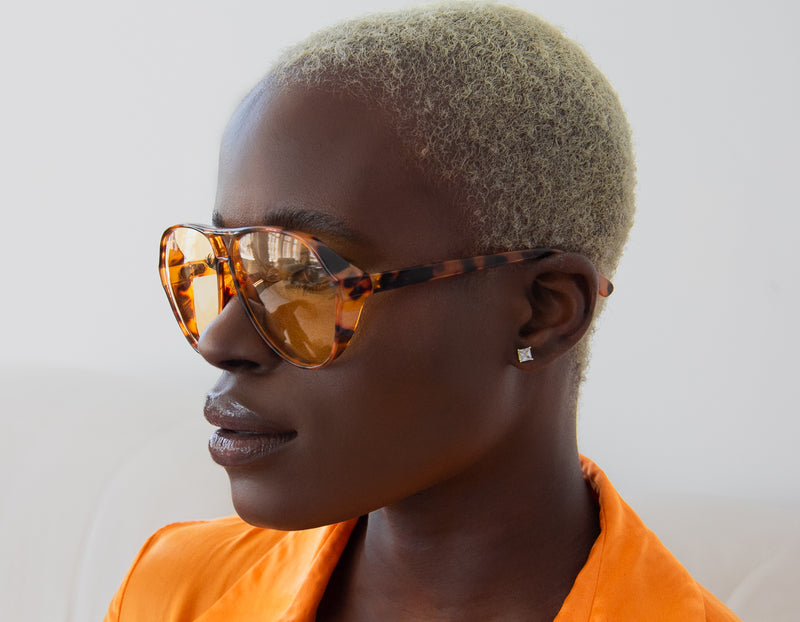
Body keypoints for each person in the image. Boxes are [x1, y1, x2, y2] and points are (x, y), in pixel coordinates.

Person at [106, 2, 741, 620]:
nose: (220, 341)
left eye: (302, 274)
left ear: (542, 312)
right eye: (227, 265)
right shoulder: (174, 592)